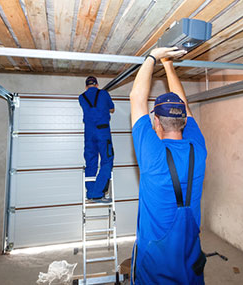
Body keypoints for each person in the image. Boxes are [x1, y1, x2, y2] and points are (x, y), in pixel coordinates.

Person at [129, 47, 207, 284]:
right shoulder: (198, 148)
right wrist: (168, 65)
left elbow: (135, 98)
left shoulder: (152, 155)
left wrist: (153, 55)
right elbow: (181, 104)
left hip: (155, 266)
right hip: (190, 256)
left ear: (156, 122)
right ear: (184, 120)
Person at [78, 76, 115, 202]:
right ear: (97, 84)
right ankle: (98, 192)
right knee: (107, 160)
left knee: (91, 161)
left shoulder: (81, 97)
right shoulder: (104, 94)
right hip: (102, 131)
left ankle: (90, 192)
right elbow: (112, 108)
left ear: (86, 86)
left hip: (89, 133)